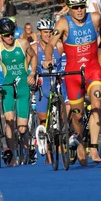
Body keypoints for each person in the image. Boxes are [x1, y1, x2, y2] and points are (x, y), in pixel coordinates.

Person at [45, 0, 101, 165]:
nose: (80, 10)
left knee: (96, 103)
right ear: (69, 8)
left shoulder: (95, 18)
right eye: (75, 7)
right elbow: (50, 44)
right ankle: (80, 142)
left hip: (92, 69)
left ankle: (94, 148)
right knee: (77, 116)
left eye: (82, 6)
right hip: (72, 74)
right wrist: (48, 58)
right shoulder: (62, 24)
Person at [0, 18, 37, 166]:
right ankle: (12, 153)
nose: (10, 37)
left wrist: (32, 73)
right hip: (7, 86)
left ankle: (26, 148)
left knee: (22, 128)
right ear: (1, 35)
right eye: (6, 35)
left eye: (11, 34)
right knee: (9, 121)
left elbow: (33, 56)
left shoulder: (22, 43)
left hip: (23, 85)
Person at [33, 16, 67, 163]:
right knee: (43, 120)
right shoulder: (34, 48)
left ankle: (59, 146)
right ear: (39, 33)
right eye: (45, 32)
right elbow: (29, 66)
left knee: (62, 119)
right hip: (43, 86)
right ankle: (48, 153)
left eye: (50, 31)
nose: (47, 34)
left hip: (58, 85)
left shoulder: (59, 45)